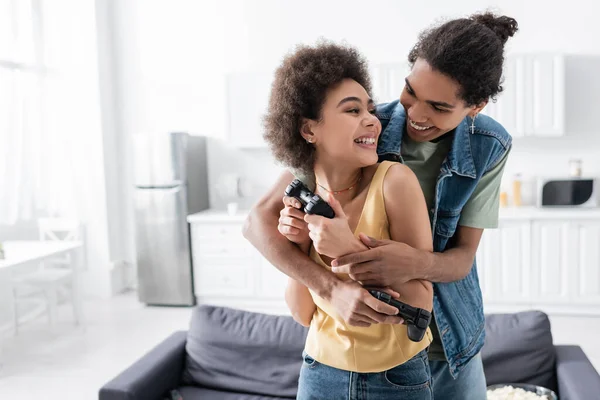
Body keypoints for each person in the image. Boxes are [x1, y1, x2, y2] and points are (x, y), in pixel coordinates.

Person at [244, 11, 518, 400]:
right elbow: (257, 222)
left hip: (448, 337)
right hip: (353, 344)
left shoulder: (489, 144)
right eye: (411, 92)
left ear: (475, 107)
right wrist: (327, 284)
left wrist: (412, 262)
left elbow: (461, 259)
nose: (416, 115)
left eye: (439, 108)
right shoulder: (363, 130)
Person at [262, 41, 435, 399]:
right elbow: (301, 313)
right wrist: (301, 245)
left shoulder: (394, 183)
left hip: (397, 377)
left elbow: (421, 304)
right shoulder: (305, 198)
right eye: (352, 110)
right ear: (309, 130)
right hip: (319, 371)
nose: (372, 119)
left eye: (369, 109)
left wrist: (348, 249)